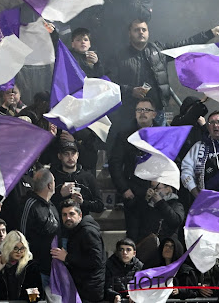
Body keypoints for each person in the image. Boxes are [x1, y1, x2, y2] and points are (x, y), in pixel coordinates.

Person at [108, 19, 219, 130]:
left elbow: (185, 45)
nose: (141, 32)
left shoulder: (159, 50)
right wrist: (130, 90)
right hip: (130, 112)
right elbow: (109, 82)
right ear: (129, 33)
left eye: (144, 29)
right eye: (137, 30)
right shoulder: (119, 56)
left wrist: (209, 33)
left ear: (148, 32)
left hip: (157, 111)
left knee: (159, 146)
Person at [108, 99, 157, 241]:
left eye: (146, 110)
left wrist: (163, 186)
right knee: (133, 238)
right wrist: (124, 189)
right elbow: (114, 163)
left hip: (156, 194)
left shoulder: (163, 133)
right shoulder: (124, 135)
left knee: (153, 238)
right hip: (133, 193)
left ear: (154, 114)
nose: (142, 113)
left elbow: (171, 161)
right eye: (139, 110)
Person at [51, 200, 105, 303]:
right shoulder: (76, 230)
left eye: (71, 214)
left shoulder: (87, 231)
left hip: (89, 291)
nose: (68, 218)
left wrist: (67, 258)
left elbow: (96, 261)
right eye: (64, 215)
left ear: (80, 215)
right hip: (82, 287)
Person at [19, 168, 59, 284]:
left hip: (54, 267)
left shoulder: (51, 205)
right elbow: (22, 236)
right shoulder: (29, 204)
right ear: (50, 185)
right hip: (36, 269)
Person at [51, 140, 103, 216]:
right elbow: (43, 203)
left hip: (82, 221)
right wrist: (60, 194)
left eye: (73, 154)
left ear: (77, 155)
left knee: (90, 227)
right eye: (66, 154)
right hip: (58, 220)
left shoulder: (88, 177)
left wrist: (82, 202)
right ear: (59, 156)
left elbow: (100, 206)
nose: (70, 157)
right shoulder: (52, 177)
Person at [0, 230, 43, 301]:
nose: (19, 252)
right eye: (15, 248)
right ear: (8, 247)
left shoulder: (30, 267)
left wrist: (33, 295)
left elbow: (35, 297)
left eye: (22, 248)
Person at [104, 238, 143, 303]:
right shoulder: (109, 265)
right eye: (121, 250)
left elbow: (143, 286)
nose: (124, 253)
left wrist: (135, 295)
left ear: (134, 253)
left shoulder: (139, 266)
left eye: (128, 250)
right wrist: (115, 296)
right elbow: (107, 287)